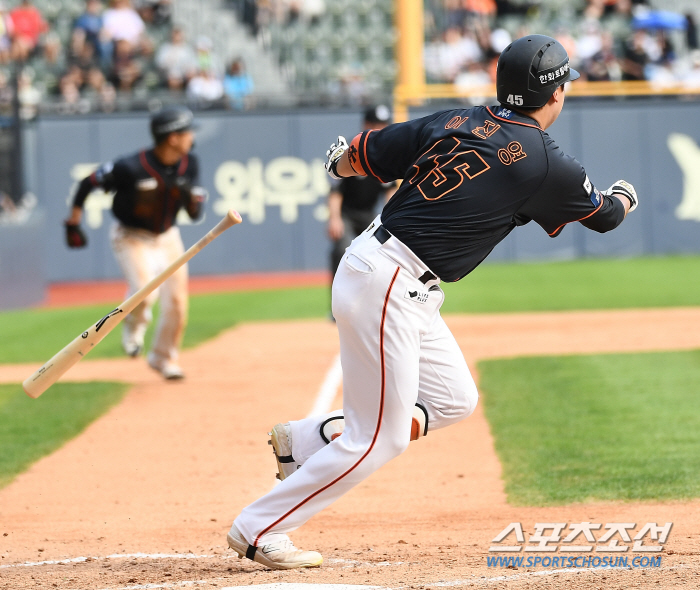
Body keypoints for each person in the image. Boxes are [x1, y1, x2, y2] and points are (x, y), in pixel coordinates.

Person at [225, 34, 638, 569]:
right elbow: (602, 216)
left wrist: (338, 165)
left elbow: (359, 155)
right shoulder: (543, 159)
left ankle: (305, 441)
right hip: (391, 282)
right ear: (555, 94)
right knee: (381, 439)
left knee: (453, 399)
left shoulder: (455, 120)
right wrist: (624, 195)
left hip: (390, 276)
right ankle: (258, 527)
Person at [64, 107, 206, 379]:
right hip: (130, 235)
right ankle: (133, 328)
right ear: (172, 138)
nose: (191, 136)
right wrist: (73, 221)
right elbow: (87, 182)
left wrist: (187, 194)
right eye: (187, 131)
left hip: (167, 236)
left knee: (177, 302)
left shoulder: (190, 164)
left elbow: (195, 213)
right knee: (144, 291)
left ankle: (163, 359)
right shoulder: (131, 166)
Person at [328, 105, 396, 283]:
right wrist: (334, 218)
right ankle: (337, 308)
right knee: (341, 249)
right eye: (376, 123)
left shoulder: (389, 154)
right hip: (347, 214)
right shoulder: (351, 151)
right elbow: (335, 192)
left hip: (370, 215)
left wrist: (390, 218)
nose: (380, 128)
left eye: (383, 124)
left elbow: (390, 192)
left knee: (384, 251)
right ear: (366, 124)